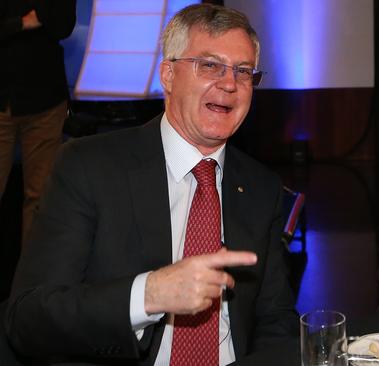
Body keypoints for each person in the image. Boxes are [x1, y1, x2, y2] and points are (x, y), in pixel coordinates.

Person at [5, 4, 298, 365]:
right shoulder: (89, 167)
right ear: (169, 75)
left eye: (243, 71)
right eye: (209, 65)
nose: (229, 84)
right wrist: (148, 295)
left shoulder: (261, 188)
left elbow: (275, 322)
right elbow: (27, 319)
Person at [0, 0, 76, 242]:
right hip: (3, 98)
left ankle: (33, 277)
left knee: (41, 198)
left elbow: (63, 25)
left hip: (45, 99)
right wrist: (21, 23)